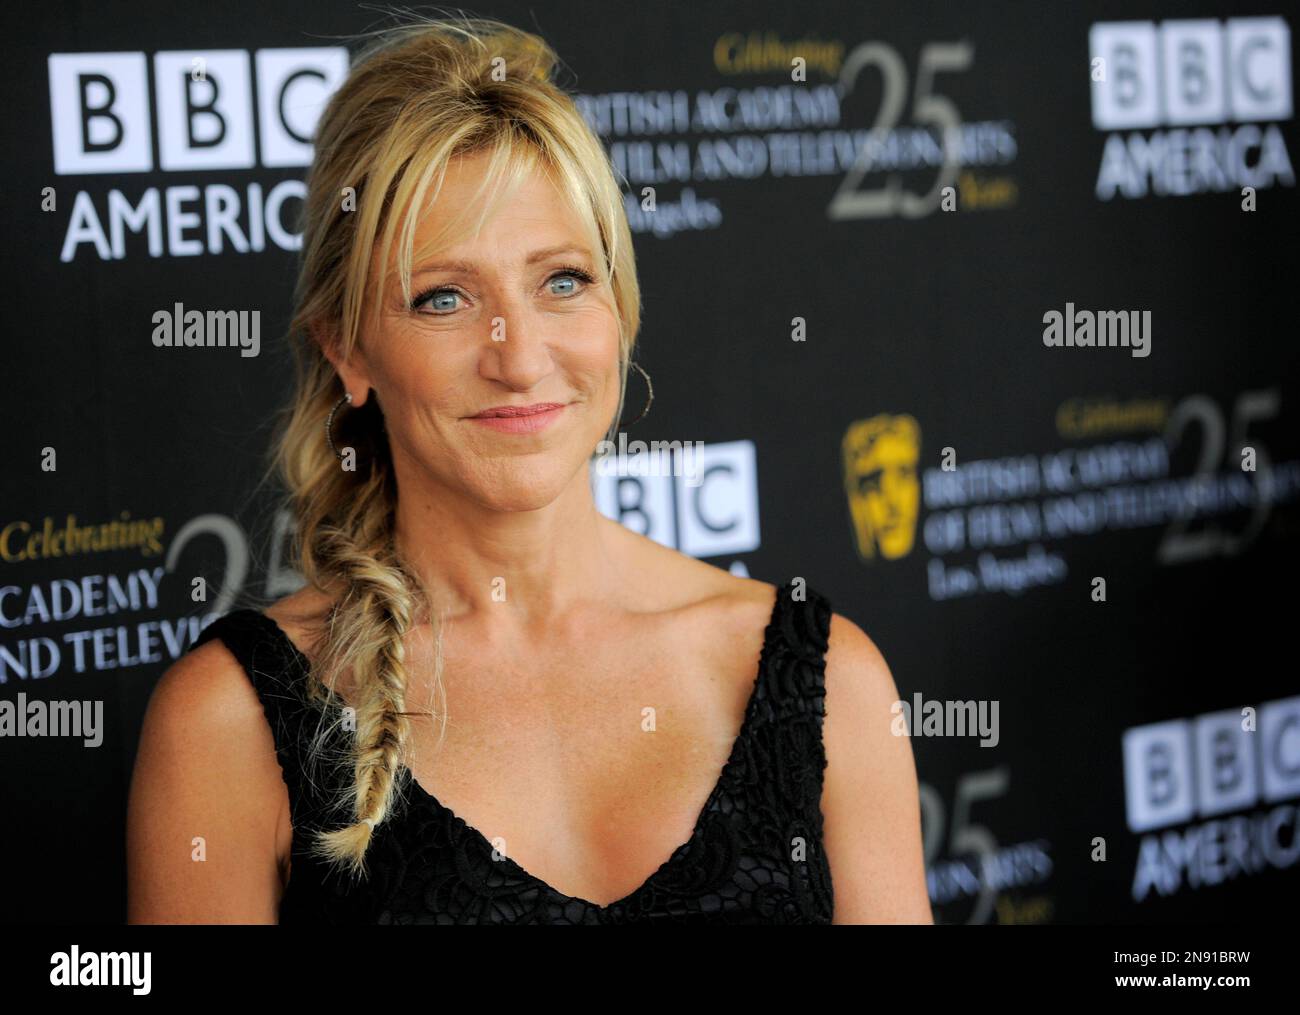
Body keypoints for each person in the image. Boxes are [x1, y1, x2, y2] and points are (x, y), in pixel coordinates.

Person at [126, 14, 931, 925]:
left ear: (619, 309)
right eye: (444, 297)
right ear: (348, 350)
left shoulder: (830, 681)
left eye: (561, 281)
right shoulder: (227, 724)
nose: (518, 357)